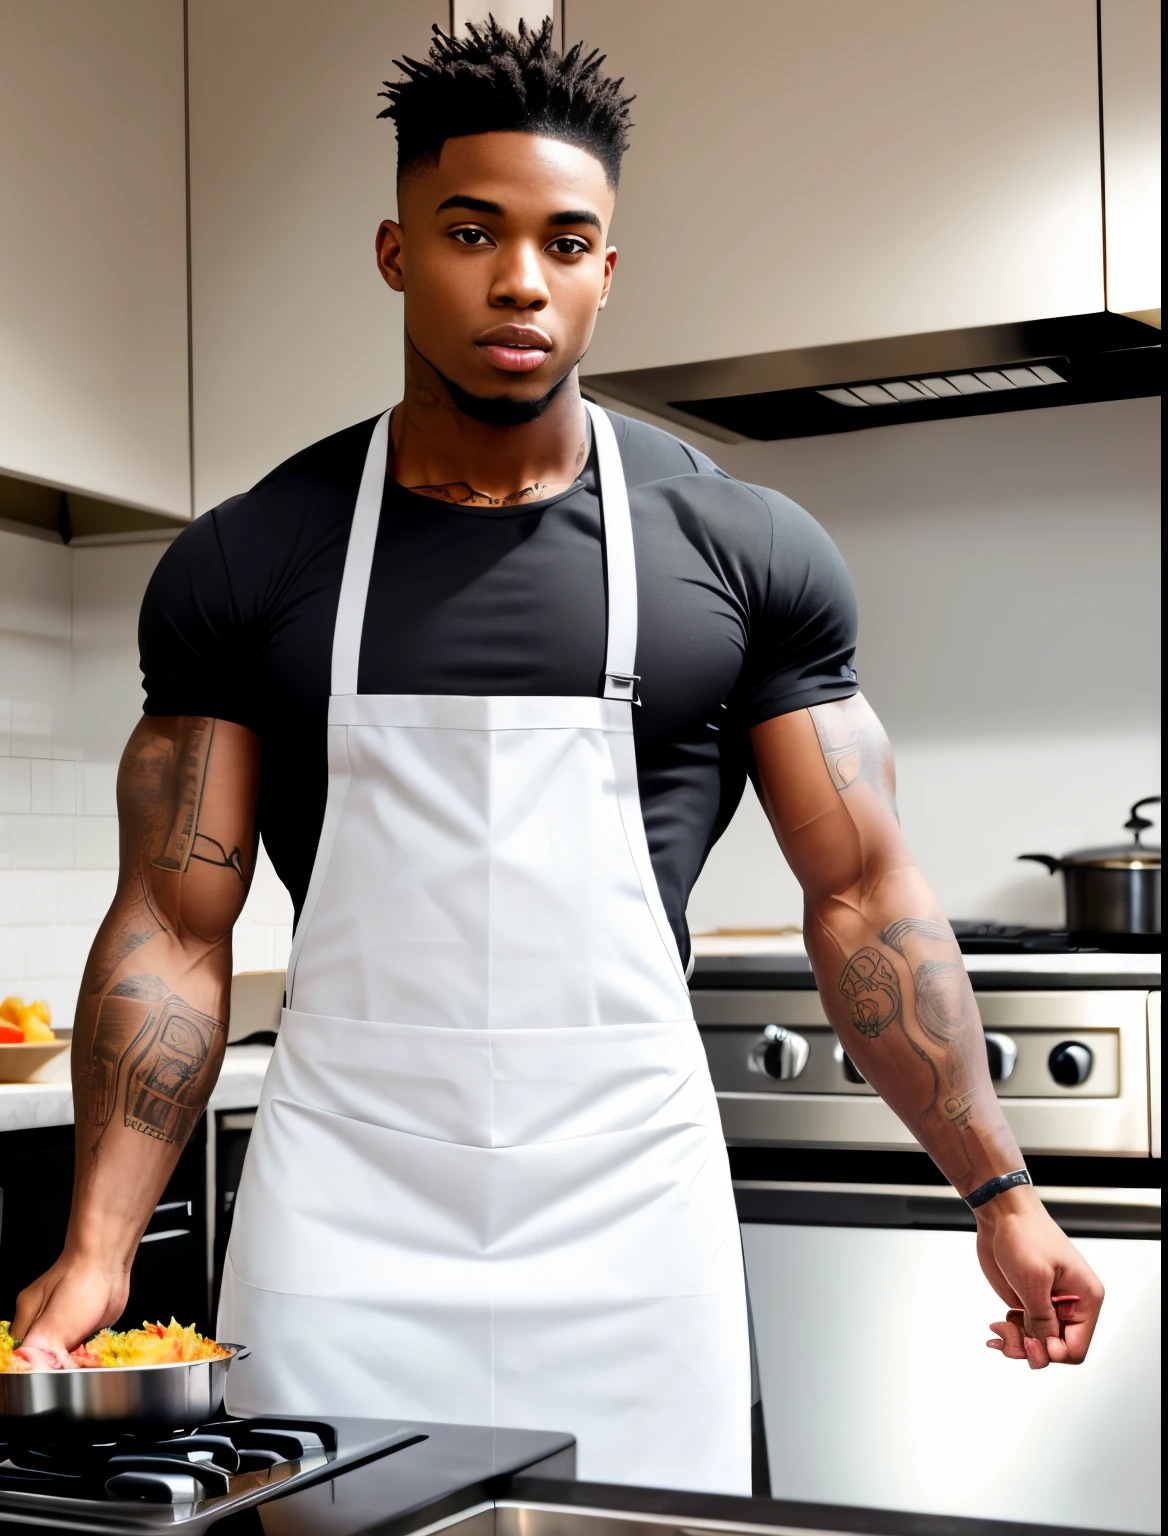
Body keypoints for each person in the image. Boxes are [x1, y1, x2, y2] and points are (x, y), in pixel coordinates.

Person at [13, 17, 1103, 1497]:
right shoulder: (251, 560)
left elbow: (863, 895)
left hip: (629, 1216)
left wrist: (1002, 1190)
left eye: (564, 239)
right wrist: (90, 1252)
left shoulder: (742, 549)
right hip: (345, 1210)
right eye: (472, 232)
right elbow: (171, 928)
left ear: (606, 267)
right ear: (398, 253)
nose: (519, 278)